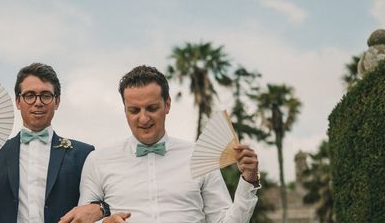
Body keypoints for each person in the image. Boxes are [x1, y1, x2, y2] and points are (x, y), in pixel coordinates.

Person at [73, 65, 259, 222]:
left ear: (167, 104)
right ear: (125, 110)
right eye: (134, 110)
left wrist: (248, 181)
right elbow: (82, 218)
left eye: (152, 108)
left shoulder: (199, 156)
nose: (144, 118)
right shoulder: (98, 161)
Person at [0, 62, 106, 223]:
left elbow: (110, 202)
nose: (38, 102)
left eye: (46, 95)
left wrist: (101, 208)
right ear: (18, 102)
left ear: (57, 102)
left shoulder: (84, 155)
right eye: (29, 95)